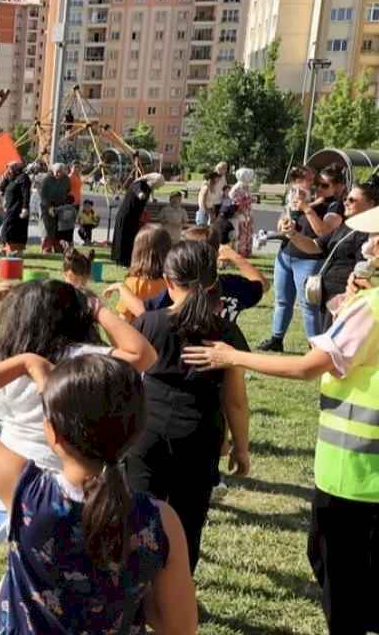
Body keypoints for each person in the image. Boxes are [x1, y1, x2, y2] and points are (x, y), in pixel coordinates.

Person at [181, 204, 379, 633]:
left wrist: (232, 356)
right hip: (361, 473)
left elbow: (310, 365)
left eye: (376, 239)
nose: (369, 245)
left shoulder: (374, 309)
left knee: (338, 571)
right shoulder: (368, 305)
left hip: (356, 473)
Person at [0, 353, 197, 633]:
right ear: (137, 431)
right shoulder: (160, 521)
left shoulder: (27, 493)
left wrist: (25, 362)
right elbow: (180, 628)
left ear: (52, 433)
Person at [125, 240, 252, 575]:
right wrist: (241, 448)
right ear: (212, 283)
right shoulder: (226, 332)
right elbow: (236, 401)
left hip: (146, 435)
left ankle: (136, 597)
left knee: (138, 521)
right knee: (187, 528)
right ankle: (178, 599)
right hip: (200, 436)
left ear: (168, 281)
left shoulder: (147, 324)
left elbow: (125, 383)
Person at [0, 279, 156, 472]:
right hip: (60, 469)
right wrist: (98, 310)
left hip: (7, 465)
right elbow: (143, 355)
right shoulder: (82, 357)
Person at [260, 165, 346, 351]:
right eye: (315, 183)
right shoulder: (298, 199)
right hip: (286, 254)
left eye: (323, 185)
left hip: (310, 260)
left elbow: (323, 232)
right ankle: (276, 339)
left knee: (308, 305)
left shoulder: (333, 205)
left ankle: (315, 347)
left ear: (335, 187)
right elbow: (281, 221)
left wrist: (306, 208)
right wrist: (283, 223)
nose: (317, 187)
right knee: (282, 300)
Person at [279, 181, 379, 325]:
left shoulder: (371, 234)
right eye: (345, 198)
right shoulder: (347, 225)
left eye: (352, 200)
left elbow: (363, 275)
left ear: (371, 204)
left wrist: (346, 302)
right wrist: (292, 234)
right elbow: (315, 246)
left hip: (345, 301)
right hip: (329, 299)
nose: (346, 202)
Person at [127, 230, 266, 326]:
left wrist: (122, 289)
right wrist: (235, 257)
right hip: (223, 355)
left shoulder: (178, 289)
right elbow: (262, 285)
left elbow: (146, 313)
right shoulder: (232, 284)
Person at [105, 225, 172, 322]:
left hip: (137, 335)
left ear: (137, 252)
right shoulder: (172, 284)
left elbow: (124, 321)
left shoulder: (131, 284)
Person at [111, 172, 165, 267]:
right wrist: (141, 194)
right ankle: (120, 261)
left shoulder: (148, 188)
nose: (156, 187)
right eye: (157, 185)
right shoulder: (139, 184)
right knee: (123, 238)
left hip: (135, 217)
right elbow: (138, 191)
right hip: (126, 215)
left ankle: (128, 261)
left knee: (131, 239)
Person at [0, 161, 31, 254]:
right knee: (7, 229)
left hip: (18, 209)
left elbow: (26, 194)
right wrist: (5, 177)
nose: (8, 170)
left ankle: (16, 250)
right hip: (10, 208)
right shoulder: (12, 178)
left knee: (14, 229)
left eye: (10, 168)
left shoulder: (23, 178)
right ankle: (6, 248)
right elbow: (2, 188)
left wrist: (25, 208)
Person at [39, 163, 70, 253]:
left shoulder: (66, 180)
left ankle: (58, 248)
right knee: (48, 228)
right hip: (47, 206)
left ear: (63, 172)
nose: (57, 174)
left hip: (60, 206)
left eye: (60, 172)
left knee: (59, 228)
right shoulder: (47, 180)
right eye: (56, 172)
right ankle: (46, 248)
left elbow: (67, 191)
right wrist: (49, 207)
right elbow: (43, 195)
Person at [230, 168, 256, 256]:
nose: (250, 178)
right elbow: (236, 201)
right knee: (242, 232)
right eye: (248, 176)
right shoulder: (237, 188)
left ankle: (247, 251)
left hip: (248, 212)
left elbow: (248, 198)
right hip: (241, 213)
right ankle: (241, 252)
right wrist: (244, 211)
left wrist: (251, 200)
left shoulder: (246, 186)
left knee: (248, 232)